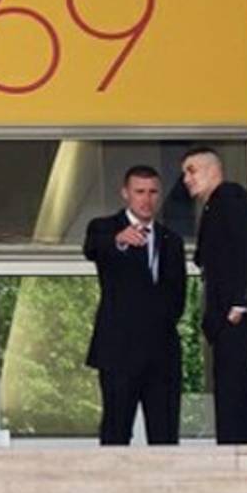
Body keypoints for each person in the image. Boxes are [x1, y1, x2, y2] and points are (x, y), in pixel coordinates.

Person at [84, 165, 187, 445]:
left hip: (162, 353)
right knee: (116, 432)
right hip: (119, 351)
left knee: (165, 435)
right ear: (125, 193)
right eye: (139, 192)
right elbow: (92, 248)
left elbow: (178, 296)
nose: (146, 199)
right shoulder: (104, 228)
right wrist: (119, 240)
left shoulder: (171, 241)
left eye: (153, 192)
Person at [181, 147, 247, 444]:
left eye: (191, 170)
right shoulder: (215, 207)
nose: (186, 179)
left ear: (213, 170)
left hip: (236, 317)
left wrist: (240, 303)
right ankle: (245, 451)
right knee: (234, 392)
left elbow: (246, 250)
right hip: (227, 319)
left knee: (235, 392)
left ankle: (241, 452)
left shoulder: (231, 198)